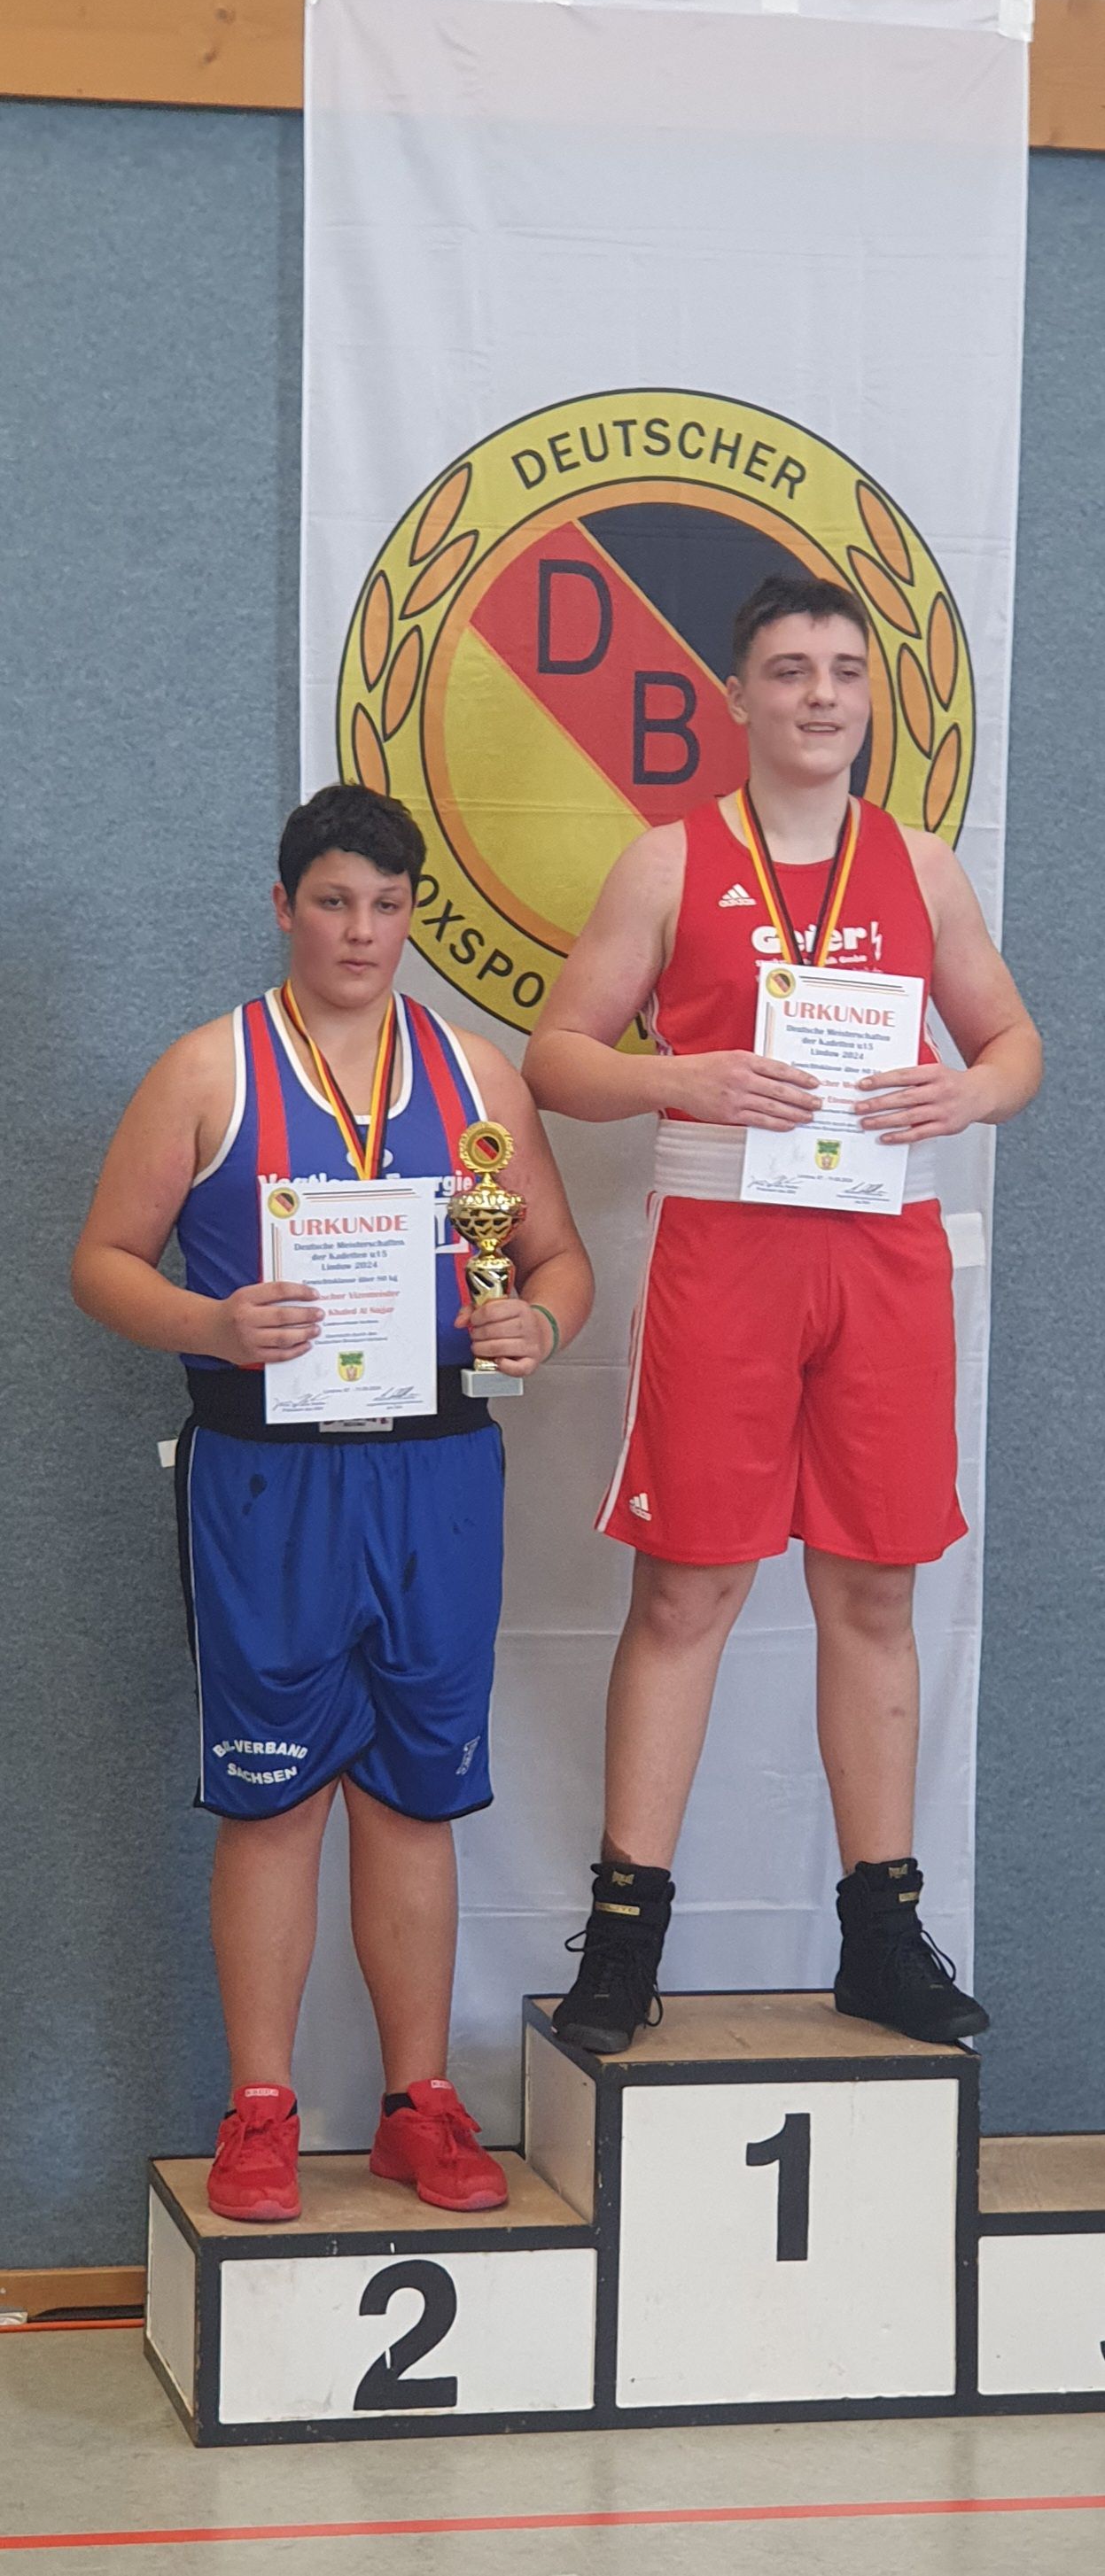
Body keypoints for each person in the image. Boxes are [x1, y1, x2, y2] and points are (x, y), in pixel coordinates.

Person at [523, 572, 1040, 2055]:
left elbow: (1015, 1043)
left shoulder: (924, 867)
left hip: (882, 1255)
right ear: (737, 695)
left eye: (843, 671)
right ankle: (624, 1938)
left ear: (872, 697)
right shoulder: (669, 863)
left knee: (875, 1591)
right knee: (687, 1591)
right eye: (791, 668)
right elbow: (557, 1057)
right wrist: (678, 1075)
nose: (821, 694)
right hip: (729, 1252)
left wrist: (966, 1090)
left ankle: (881, 1933)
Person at [72, 784, 592, 2222]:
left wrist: (540, 1323)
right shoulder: (210, 1069)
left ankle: (419, 2104)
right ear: (285, 905)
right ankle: (260, 2111)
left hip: (436, 1469)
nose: (362, 930)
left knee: (416, 1794)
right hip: (271, 1477)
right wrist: (210, 1321)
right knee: (276, 1795)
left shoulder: (477, 1077)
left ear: (413, 911)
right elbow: (101, 1260)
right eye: (334, 901)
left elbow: (558, 1260)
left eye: (387, 903)